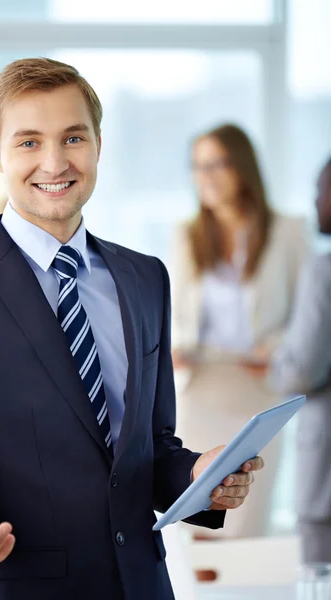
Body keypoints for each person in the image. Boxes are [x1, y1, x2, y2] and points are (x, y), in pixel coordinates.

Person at [0, 58, 263, 600]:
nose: (56, 162)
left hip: (142, 586)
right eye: (29, 142)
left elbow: (150, 450)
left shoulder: (144, 277)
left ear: (99, 143)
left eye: (73, 137)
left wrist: (201, 477)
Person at [171, 124, 308, 541]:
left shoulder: (287, 231)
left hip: (258, 393)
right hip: (202, 390)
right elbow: (176, 313)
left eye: (217, 165)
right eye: (198, 167)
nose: (206, 177)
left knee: (245, 526)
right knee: (197, 521)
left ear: (242, 168)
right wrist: (174, 348)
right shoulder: (187, 234)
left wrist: (277, 349)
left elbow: (311, 315)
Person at [270, 157, 331, 563]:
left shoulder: (324, 271)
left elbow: (302, 369)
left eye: (321, 190)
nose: (315, 201)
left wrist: (275, 360)